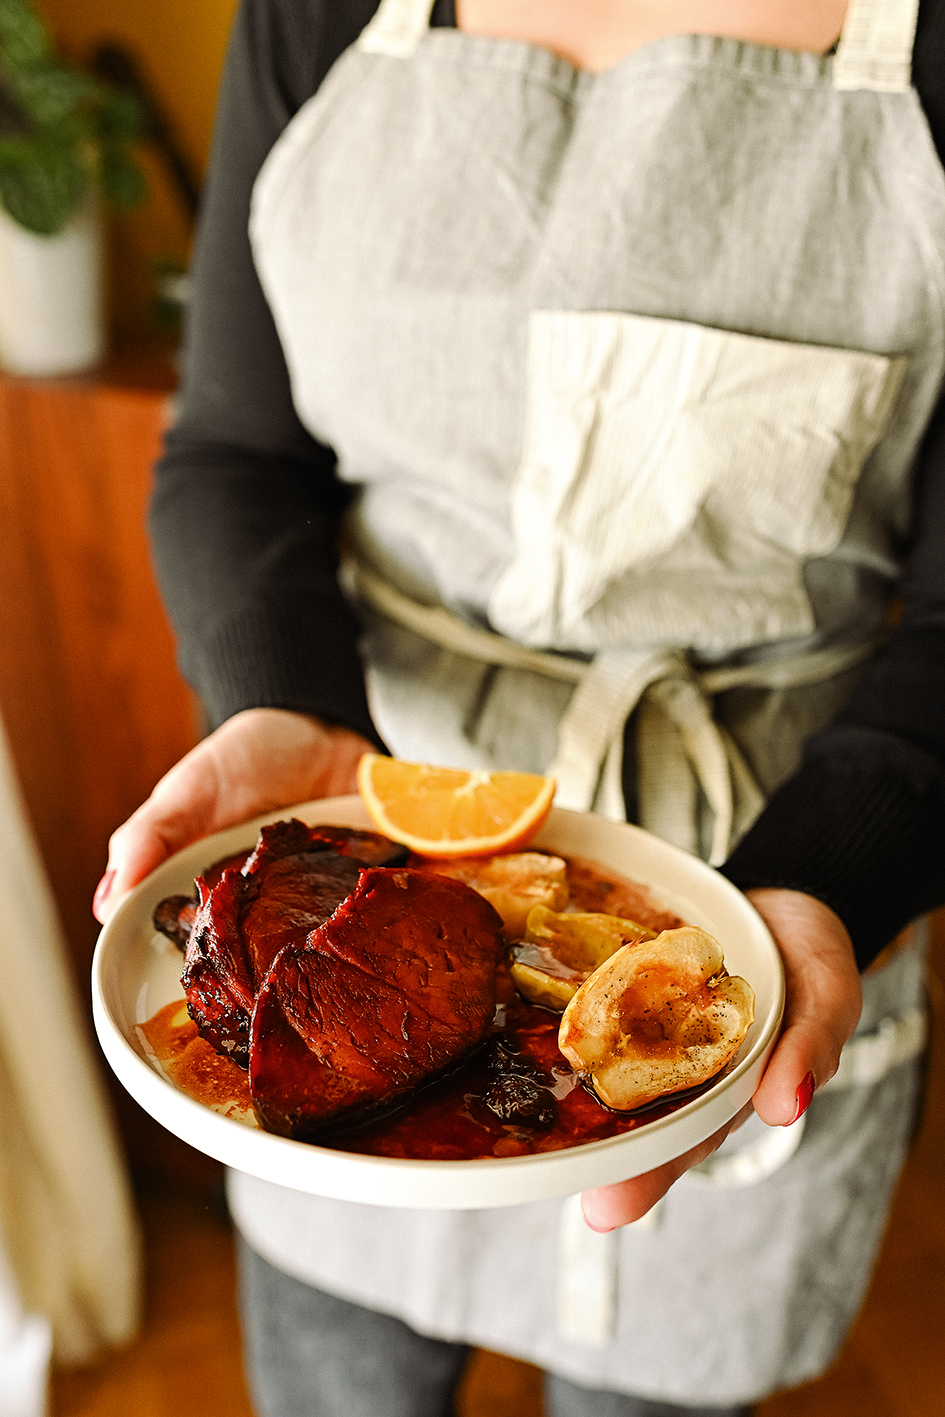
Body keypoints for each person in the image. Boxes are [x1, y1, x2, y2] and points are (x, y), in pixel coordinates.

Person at [95, 0, 945, 1412]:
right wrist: (276, 701)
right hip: (353, 850)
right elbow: (237, 449)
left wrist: (829, 874)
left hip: (762, 867)